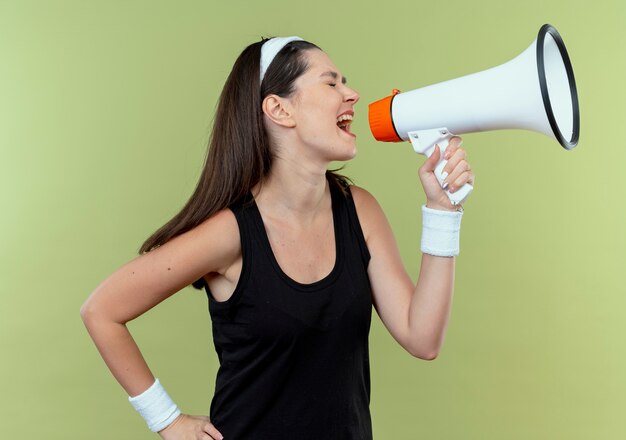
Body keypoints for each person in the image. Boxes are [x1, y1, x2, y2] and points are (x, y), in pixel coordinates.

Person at [80, 36, 475, 440]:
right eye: (331, 83)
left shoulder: (360, 210)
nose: (352, 94)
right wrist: (166, 420)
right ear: (279, 109)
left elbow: (423, 338)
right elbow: (101, 311)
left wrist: (443, 212)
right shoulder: (230, 233)